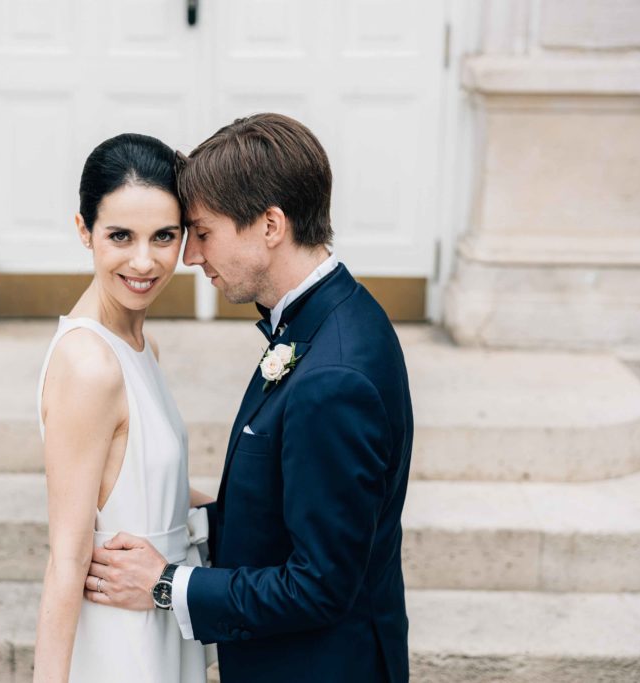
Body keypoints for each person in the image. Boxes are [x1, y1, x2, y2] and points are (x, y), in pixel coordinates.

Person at [84, 113, 414, 683]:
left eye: (203, 232)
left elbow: (319, 586)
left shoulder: (333, 376)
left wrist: (166, 584)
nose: (189, 256)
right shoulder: (327, 317)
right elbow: (293, 507)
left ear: (270, 225)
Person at [34, 133, 216, 683]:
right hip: (120, 640)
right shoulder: (89, 365)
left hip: (162, 610)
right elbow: (66, 556)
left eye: (164, 236)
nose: (145, 261)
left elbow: (141, 484)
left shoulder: (141, 345)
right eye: (120, 236)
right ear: (84, 231)